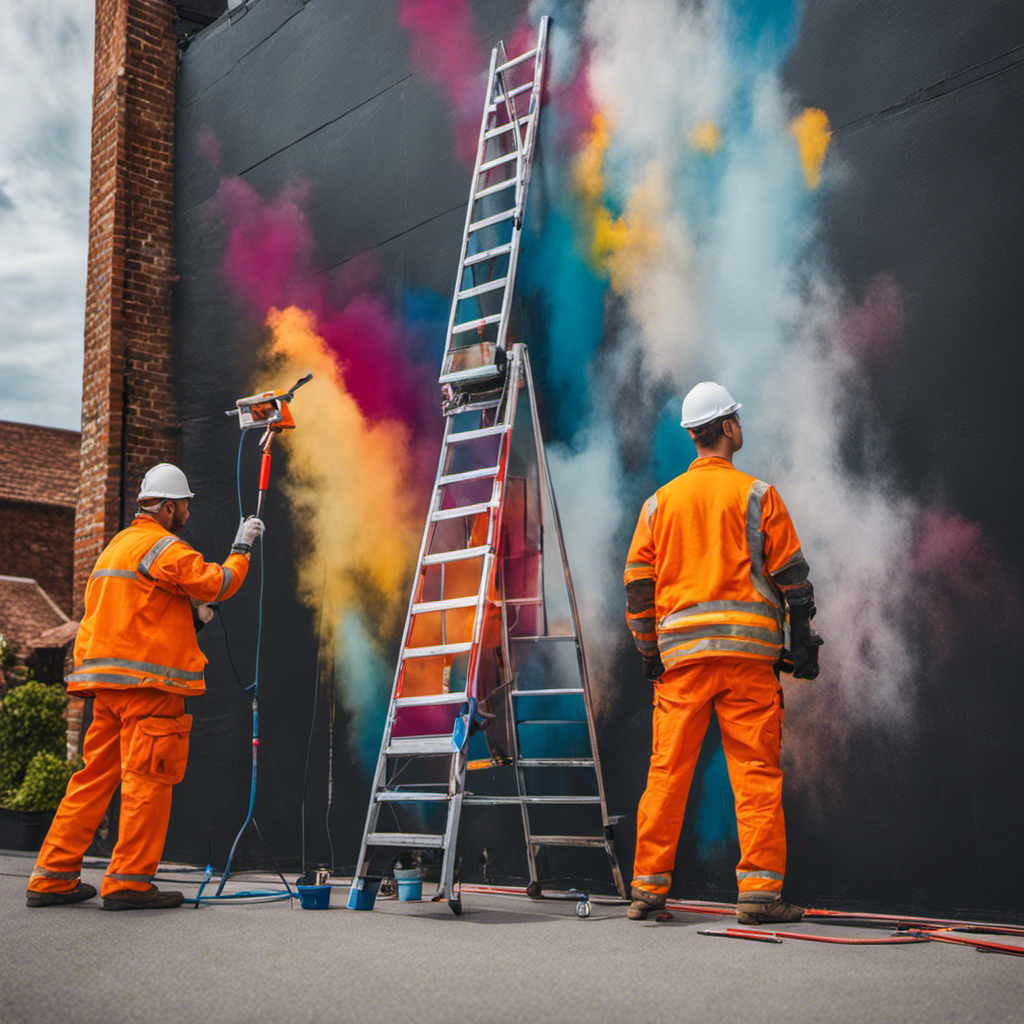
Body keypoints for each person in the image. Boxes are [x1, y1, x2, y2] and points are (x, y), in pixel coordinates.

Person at [623, 382, 822, 924]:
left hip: (681, 662)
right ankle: (759, 894)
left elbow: (639, 586)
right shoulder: (758, 494)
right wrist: (800, 645)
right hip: (748, 661)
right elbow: (793, 582)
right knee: (755, 771)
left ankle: (646, 888)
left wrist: (648, 651)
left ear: (693, 435)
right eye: (736, 418)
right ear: (728, 427)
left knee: (667, 771)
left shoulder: (659, 503)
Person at [26, 463, 264, 911]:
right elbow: (218, 583)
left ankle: (51, 877)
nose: (188, 515)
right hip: (150, 689)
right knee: (147, 781)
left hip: (106, 686)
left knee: (92, 780)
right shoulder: (165, 546)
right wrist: (241, 547)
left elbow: (138, 612)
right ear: (169, 507)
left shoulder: (117, 547)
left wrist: (192, 618)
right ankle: (129, 883)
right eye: (186, 507)